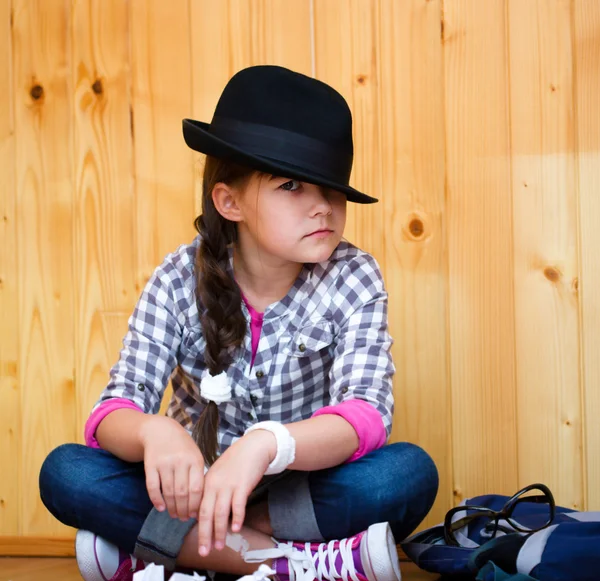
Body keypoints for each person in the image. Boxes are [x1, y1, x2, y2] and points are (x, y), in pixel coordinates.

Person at [39, 65, 438, 581]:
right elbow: (111, 413)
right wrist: (155, 432)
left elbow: (365, 416)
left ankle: (166, 551)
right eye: (292, 185)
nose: (323, 207)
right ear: (229, 201)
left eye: (332, 189)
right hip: (192, 487)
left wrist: (267, 445)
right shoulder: (177, 279)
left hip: (297, 487)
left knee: (406, 473)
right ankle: (297, 566)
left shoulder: (353, 276)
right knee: (68, 471)